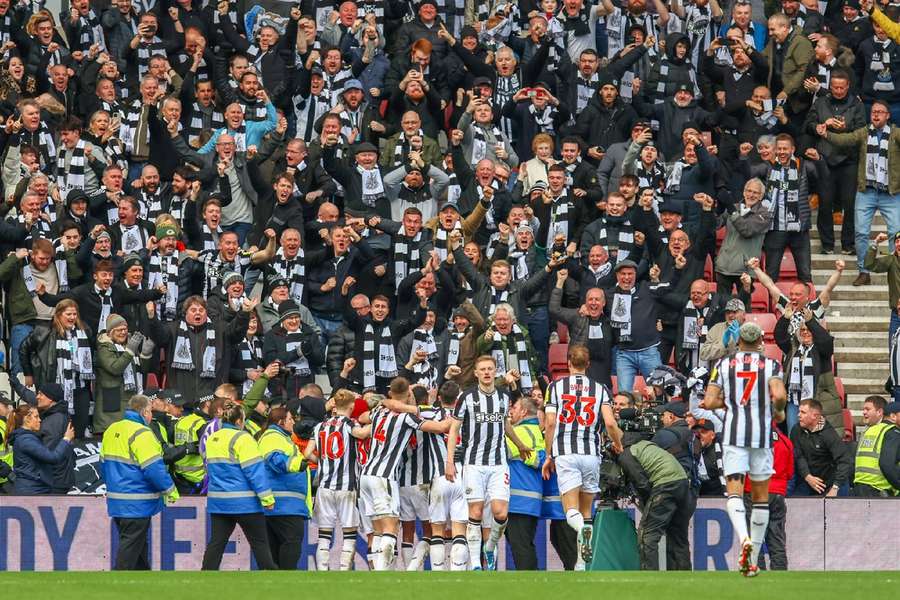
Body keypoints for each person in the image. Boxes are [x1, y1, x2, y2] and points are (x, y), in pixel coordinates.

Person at [701, 321, 787, 577]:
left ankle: (744, 538)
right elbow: (779, 395)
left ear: (738, 341)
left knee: (735, 493)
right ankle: (754, 558)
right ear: (760, 340)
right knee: (761, 497)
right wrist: (778, 411)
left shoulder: (723, 364)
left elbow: (708, 400)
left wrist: (726, 405)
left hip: (734, 434)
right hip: (761, 436)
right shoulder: (771, 365)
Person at [446, 355, 533, 571]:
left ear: (496, 372)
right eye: (482, 369)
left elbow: (506, 425)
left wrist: (520, 445)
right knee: (474, 513)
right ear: (476, 373)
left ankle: (491, 545)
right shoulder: (466, 397)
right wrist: (449, 462)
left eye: (490, 369)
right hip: (473, 463)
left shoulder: (503, 397)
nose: (486, 372)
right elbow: (454, 429)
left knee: (500, 512)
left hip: (498, 463)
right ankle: (476, 563)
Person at [541, 345, 622, 570]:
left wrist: (549, 454)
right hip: (591, 455)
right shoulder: (601, 389)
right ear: (588, 364)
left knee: (571, 512)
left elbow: (549, 422)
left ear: (568, 363)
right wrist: (618, 444)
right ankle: (580, 565)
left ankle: (581, 536)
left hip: (566, 453)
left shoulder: (555, 387)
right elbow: (610, 423)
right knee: (586, 512)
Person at [100, 394, 179, 570]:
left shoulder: (112, 429)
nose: (151, 415)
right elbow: (153, 469)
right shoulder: (142, 433)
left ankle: (143, 580)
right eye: (150, 411)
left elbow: (103, 465)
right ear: (144, 412)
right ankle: (116, 587)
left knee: (138, 547)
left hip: (117, 500)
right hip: (137, 501)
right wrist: (169, 489)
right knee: (129, 550)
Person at [201, 401, 278, 570]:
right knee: (260, 545)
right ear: (238, 421)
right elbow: (255, 472)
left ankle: (205, 578)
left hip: (219, 502)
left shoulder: (212, 439)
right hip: (245, 503)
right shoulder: (243, 438)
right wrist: (267, 499)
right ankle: (272, 577)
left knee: (216, 544)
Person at [305, 389, 370, 570]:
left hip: (324, 487)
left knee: (324, 535)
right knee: (349, 533)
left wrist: (323, 462)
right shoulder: (349, 424)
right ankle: (342, 571)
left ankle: (323, 571)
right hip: (346, 486)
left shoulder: (319, 427)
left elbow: (307, 452)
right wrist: (381, 421)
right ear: (351, 406)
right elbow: (363, 434)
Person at [614, 433, 693, 571]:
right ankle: (685, 578)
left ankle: (650, 577)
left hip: (665, 485)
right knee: (678, 536)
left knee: (647, 535)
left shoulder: (627, 453)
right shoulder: (648, 446)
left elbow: (642, 483)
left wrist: (647, 506)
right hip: (683, 483)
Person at [258, 404, 311, 570]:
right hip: (284, 505)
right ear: (281, 422)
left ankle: (276, 585)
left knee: (277, 548)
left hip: (281, 504)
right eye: (289, 419)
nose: (293, 422)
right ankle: (286, 579)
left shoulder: (280, 438)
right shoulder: (273, 437)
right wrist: (298, 464)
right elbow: (276, 460)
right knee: (291, 543)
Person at [743, 422, 794, 571]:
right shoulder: (785, 441)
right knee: (777, 540)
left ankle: (757, 576)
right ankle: (780, 577)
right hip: (777, 494)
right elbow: (790, 473)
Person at [504, 394, 545, 571]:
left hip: (520, 500)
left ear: (523, 411)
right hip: (525, 500)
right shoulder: (533, 430)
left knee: (521, 547)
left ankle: (531, 585)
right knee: (522, 545)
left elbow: (498, 450)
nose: (511, 411)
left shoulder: (523, 431)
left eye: (514, 408)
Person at [4, 403, 75, 495]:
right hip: (32, 491)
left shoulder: (27, 438)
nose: (40, 420)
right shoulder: (26, 440)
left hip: (34, 488)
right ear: (27, 420)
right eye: (36, 417)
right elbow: (52, 458)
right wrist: (66, 439)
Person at [790, 398, 853, 497]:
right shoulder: (796, 430)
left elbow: (845, 460)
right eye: (799, 411)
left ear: (815, 416)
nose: (798, 415)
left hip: (832, 481)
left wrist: (835, 487)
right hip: (808, 479)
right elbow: (798, 456)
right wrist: (807, 476)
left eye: (803, 412)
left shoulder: (829, 435)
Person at [852, 395, 897, 497]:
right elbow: (887, 465)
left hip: (868, 490)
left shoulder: (875, 431)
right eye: (863, 409)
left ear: (879, 412)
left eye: (867, 409)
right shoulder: (876, 430)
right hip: (873, 490)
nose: (864, 412)